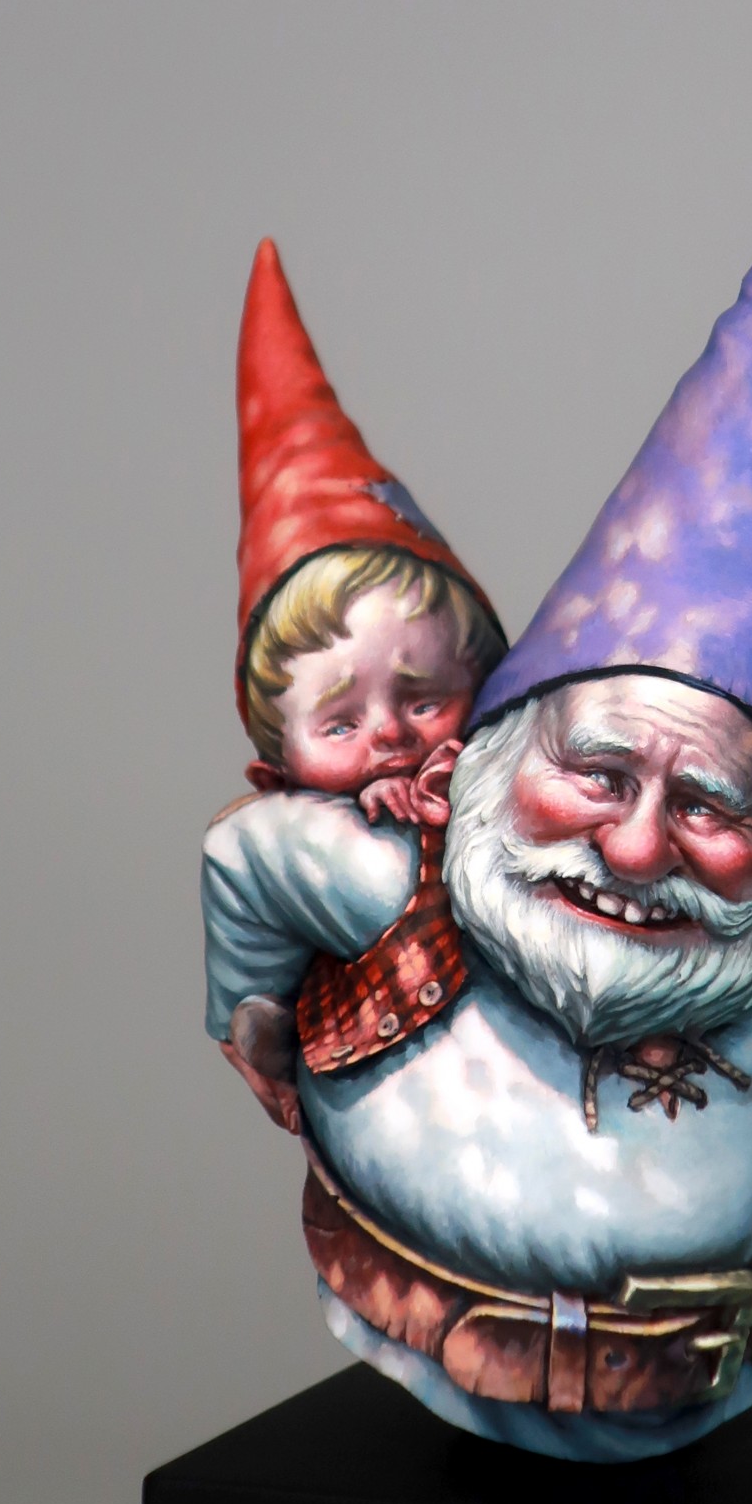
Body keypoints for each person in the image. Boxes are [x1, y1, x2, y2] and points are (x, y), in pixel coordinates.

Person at [201, 21, 752, 1460]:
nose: (637, 847)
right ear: (491, 758)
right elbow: (248, 857)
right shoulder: (392, 880)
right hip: (437, 1364)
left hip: (725, 1396)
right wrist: (258, 1026)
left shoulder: (736, 959)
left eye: (709, 805)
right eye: (595, 774)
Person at [214, 237, 505, 1127]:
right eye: (339, 723)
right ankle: (264, 1035)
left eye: (424, 700)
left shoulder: (515, 764)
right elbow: (246, 875)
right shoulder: (306, 844)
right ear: (277, 754)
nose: (389, 734)